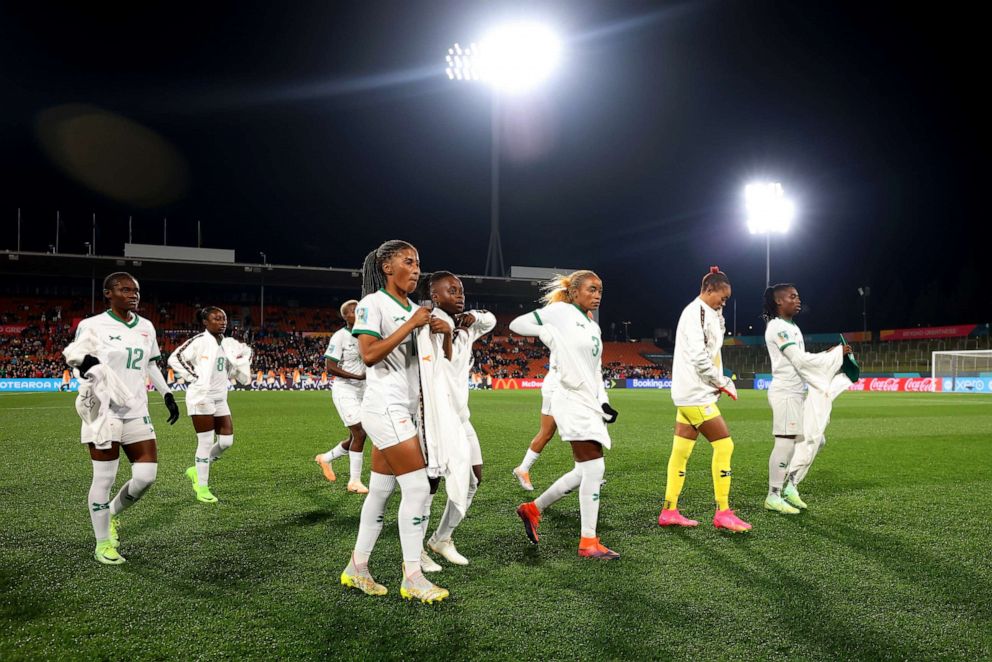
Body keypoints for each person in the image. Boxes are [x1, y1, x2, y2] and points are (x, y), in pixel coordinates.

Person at [339, 240, 451, 603]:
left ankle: (357, 568)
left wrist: (437, 332)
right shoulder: (373, 304)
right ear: (388, 267)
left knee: (382, 491)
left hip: (405, 407)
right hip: (385, 406)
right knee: (417, 489)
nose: (417, 269)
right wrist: (413, 325)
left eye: (418, 262)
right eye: (409, 261)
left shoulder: (412, 307)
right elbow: (369, 354)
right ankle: (413, 576)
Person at [65, 272, 180, 564]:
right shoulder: (92, 326)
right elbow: (76, 361)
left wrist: (167, 394)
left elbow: (151, 364)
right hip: (103, 412)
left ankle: (112, 513)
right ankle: (103, 544)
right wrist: (88, 363)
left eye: (136, 290)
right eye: (125, 289)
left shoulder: (146, 326)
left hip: (136, 409)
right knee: (104, 478)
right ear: (108, 293)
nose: (133, 294)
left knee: (146, 477)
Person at [511, 270, 621, 560]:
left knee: (584, 471)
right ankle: (588, 542)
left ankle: (532, 509)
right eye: (591, 289)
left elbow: (595, 371)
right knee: (595, 470)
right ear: (573, 292)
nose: (597, 295)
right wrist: (549, 334)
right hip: (569, 398)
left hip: (588, 401)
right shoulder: (560, 312)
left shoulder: (592, 326)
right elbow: (517, 324)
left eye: (600, 290)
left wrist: (604, 402)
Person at [658, 267, 751, 533]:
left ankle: (669, 510)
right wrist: (723, 383)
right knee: (725, 446)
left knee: (681, 452)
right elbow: (700, 359)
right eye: (721, 297)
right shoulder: (694, 313)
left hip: (691, 394)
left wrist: (719, 311)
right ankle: (723, 511)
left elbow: (713, 341)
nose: (724, 302)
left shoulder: (709, 312)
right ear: (708, 289)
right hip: (696, 393)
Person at [422, 271, 496, 566]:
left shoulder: (464, 327)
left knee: (473, 479)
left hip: (461, 419)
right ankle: (415, 552)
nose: (459, 294)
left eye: (461, 290)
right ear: (436, 297)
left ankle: (441, 538)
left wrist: (472, 317)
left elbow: (491, 319)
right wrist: (444, 330)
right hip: (434, 420)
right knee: (430, 485)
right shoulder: (427, 324)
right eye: (451, 291)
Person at [762, 283, 854, 513]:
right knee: (785, 443)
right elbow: (799, 361)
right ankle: (773, 495)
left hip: (797, 393)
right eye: (792, 297)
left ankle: (790, 484)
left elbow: (802, 358)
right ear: (779, 302)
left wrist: (829, 354)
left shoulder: (793, 326)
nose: (798, 300)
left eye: (798, 296)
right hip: (785, 393)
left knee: (817, 439)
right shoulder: (777, 327)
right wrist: (833, 356)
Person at [168, 306, 252, 504]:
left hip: (220, 397)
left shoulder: (228, 344)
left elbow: (228, 369)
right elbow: (175, 357)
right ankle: (202, 486)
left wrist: (239, 369)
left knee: (226, 442)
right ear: (205, 322)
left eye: (223, 318)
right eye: (216, 319)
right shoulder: (200, 341)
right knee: (205, 443)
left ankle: (196, 469)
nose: (222, 322)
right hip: (202, 397)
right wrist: (194, 376)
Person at [314, 299, 369, 494]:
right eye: (354, 311)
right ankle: (354, 481)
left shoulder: (367, 334)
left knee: (359, 433)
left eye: (360, 310)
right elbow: (330, 367)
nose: (359, 313)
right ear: (345, 316)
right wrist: (358, 376)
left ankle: (326, 458)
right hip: (345, 389)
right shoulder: (340, 337)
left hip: (365, 390)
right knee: (360, 432)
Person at [511, 344, 559, 492]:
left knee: (580, 430)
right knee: (546, 433)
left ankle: (588, 471)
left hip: (572, 389)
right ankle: (523, 469)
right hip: (557, 388)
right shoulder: (564, 332)